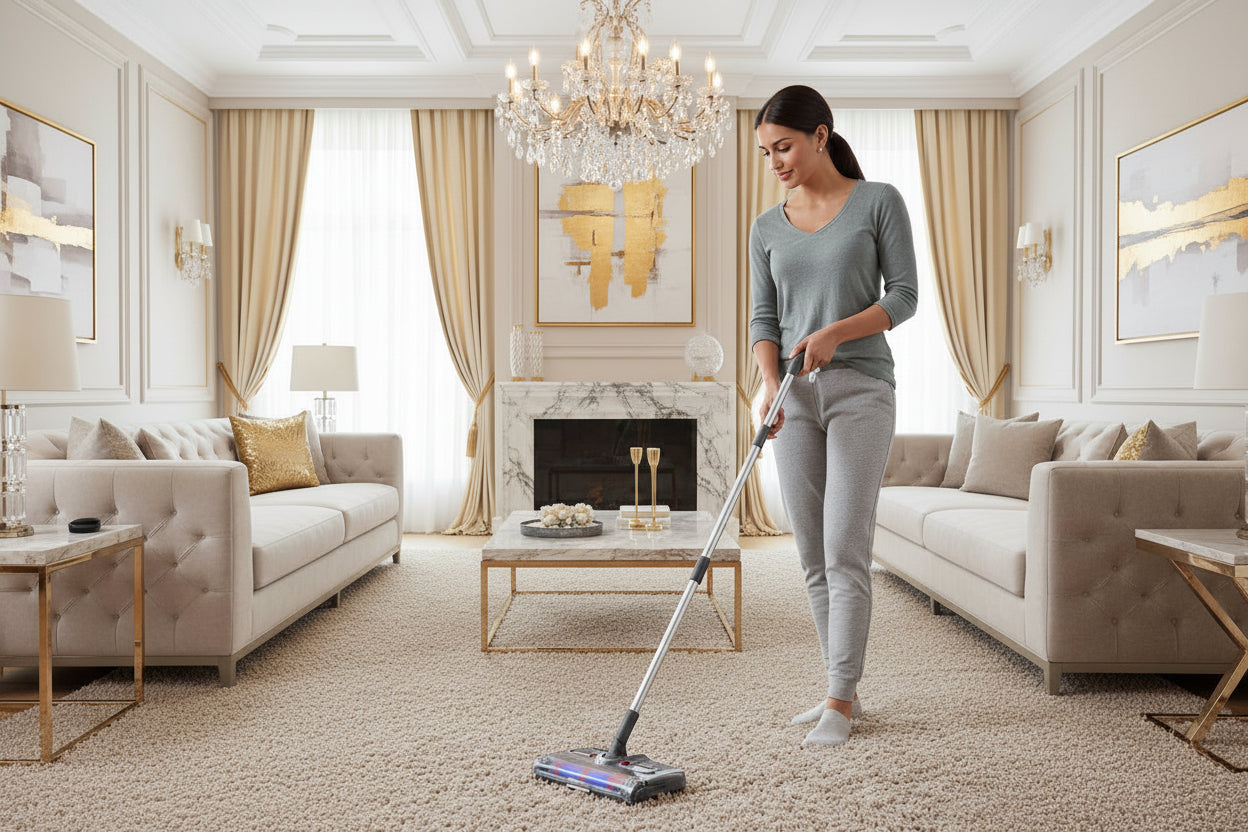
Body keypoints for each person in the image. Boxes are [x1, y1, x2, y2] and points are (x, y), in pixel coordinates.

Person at [749, 85, 918, 747]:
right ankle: (836, 690)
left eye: (784, 146)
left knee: (846, 548)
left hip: (860, 392)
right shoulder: (767, 226)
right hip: (794, 397)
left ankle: (840, 702)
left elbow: (903, 296)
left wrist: (835, 335)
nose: (776, 162)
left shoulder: (878, 202)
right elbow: (764, 319)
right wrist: (769, 385)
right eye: (767, 152)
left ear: (821, 135)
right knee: (811, 554)